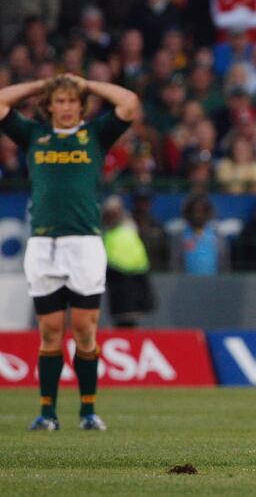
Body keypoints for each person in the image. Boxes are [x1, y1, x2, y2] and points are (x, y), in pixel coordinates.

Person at [0, 73, 138, 431]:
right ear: (50, 105)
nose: (65, 107)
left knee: (84, 330)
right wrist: (42, 83)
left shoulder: (94, 135)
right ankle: (47, 414)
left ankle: (88, 411)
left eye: (71, 101)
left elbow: (129, 103)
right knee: (49, 332)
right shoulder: (33, 135)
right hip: (44, 243)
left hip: (85, 243)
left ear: (81, 106)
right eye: (59, 101)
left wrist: (86, 83)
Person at [101, 196, 155, 328]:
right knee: (124, 322)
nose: (108, 217)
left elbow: (136, 261)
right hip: (121, 284)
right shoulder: (112, 232)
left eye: (112, 213)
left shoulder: (124, 232)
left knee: (127, 323)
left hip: (126, 284)